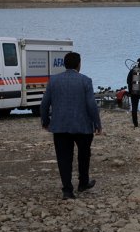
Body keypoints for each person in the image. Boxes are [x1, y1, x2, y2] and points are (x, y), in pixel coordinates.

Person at [41, 52, 102, 200]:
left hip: (60, 126)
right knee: (84, 155)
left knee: (64, 158)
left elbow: (44, 103)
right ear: (79, 64)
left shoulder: (54, 80)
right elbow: (91, 105)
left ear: (64, 64)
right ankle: (83, 183)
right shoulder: (85, 81)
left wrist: (45, 121)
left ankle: (67, 190)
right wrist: (97, 123)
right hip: (83, 126)